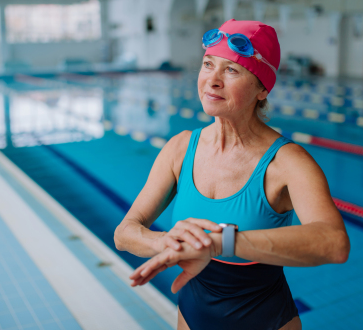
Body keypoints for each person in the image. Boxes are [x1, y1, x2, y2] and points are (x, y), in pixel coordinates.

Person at [113, 19, 350, 330]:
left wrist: (219, 242)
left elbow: (334, 243)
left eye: (231, 70)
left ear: (262, 88)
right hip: (191, 316)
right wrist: (168, 244)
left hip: (265, 320)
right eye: (208, 64)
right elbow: (125, 233)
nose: (212, 80)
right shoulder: (180, 148)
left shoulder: (287, 163)